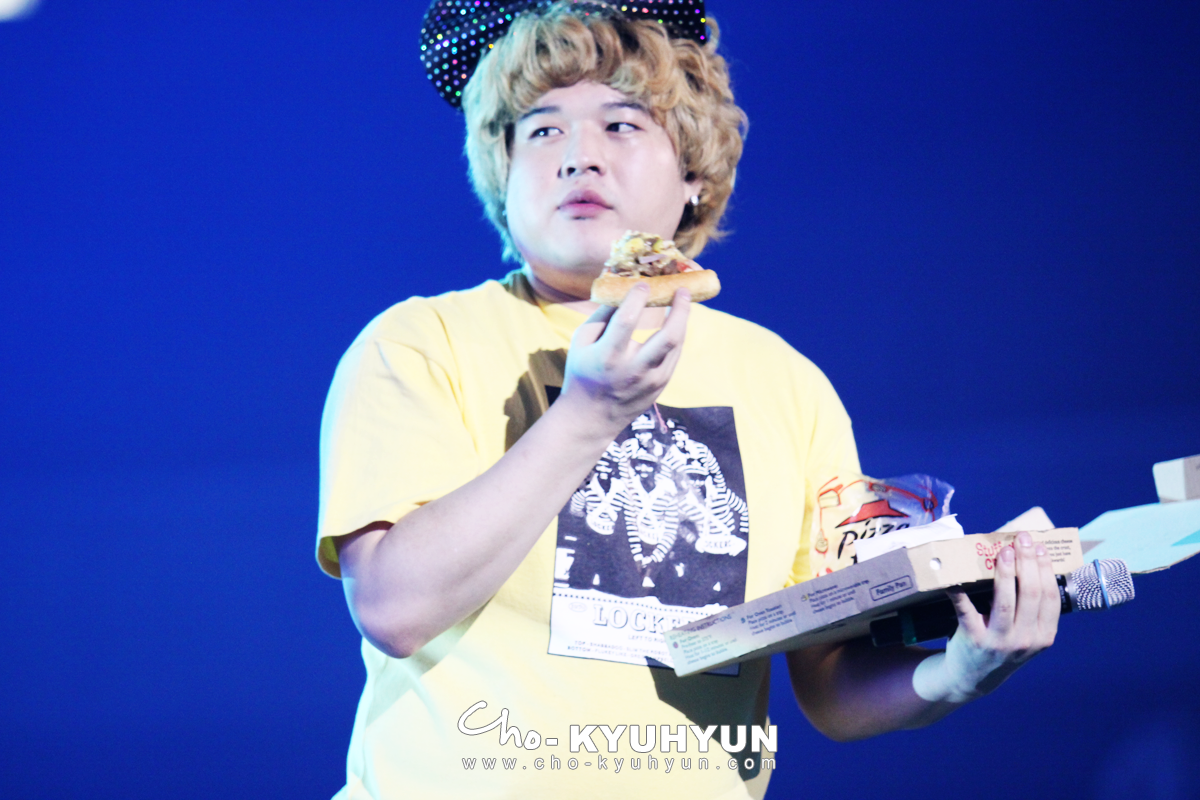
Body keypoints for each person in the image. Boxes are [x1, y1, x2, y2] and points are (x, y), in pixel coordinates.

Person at [316, 3, 1062, 798]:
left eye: (621, 125)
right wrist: (589, 413)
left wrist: (960, 671)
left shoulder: (785, 382)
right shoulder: (421, 343)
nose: (578, 157)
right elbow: (394, 608)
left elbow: (830, 679)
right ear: (503, 170)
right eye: (542, 130)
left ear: (694, 173)